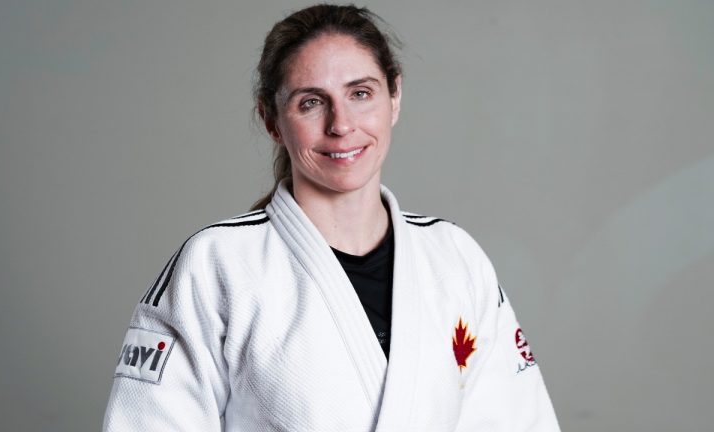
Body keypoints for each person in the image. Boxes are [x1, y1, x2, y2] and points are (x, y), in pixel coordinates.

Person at [103, 4, 560, 431]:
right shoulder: (217, 264)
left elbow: (519, 420)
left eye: (360, 93)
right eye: (310, 102)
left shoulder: (455, 258)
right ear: (271, 119)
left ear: (395, 96)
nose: (341, 124)